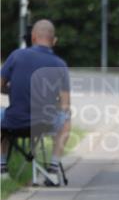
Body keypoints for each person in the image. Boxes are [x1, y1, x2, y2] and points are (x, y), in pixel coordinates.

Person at [1, 19, 71, 186]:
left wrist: (14, 90)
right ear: (54, 41)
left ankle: (2, 169)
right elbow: (65, 105)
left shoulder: (16, 56)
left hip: (14, 122)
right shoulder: (60, 65)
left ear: (32, 37)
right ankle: (53, 170)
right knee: (66, 118)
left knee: (2, 114)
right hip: (44, 124)